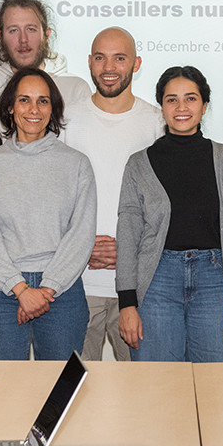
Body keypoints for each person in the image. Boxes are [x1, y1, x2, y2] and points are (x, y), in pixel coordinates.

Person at [116, 66, 223, 362]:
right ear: (161, 107)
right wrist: (127, 304)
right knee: (157, 389)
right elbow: (127, 235)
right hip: (156, 283)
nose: (181, 108)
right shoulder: (139, 164)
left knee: (216, 386)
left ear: (204, 106)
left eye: (190, 99)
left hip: (215, 282)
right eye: (171, 100)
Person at [0, 68, 95, 360]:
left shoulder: (76, 164)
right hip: (0, 291)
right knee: (7, 392)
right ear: (10, 107)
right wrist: (21, 289)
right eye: (24, 100)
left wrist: (47, 287)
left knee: (60, 393)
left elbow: (81, 233)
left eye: (43, 101)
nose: (34, 109)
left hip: (61, 291)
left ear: (53, 109)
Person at [62, 27, 162, 361]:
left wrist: (135, 251)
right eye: (101, 57)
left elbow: (166, 207)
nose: (109, 66)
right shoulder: (65, 119)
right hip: (77, 286)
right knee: (77, 393)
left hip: (138, 289)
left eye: (120, 58)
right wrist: (81, 246)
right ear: (89, 62)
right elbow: (53, 199)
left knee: (141, 395)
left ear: (136, 64)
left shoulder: (157, 124)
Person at [0, 0, 91, 134]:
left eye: (31, 29)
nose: (23, 39)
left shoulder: (76, 89)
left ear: (47, 35)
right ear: (0, 36)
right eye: (13, 30)